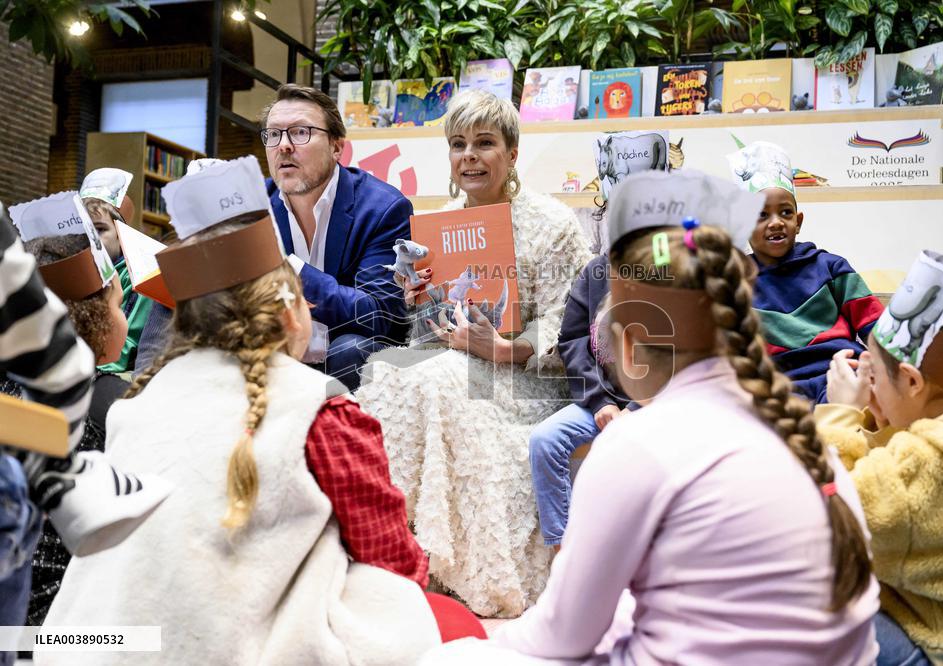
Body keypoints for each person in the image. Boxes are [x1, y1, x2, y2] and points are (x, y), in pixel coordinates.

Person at [421, 169, 879, 665]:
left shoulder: (636, 446)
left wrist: (472, 645)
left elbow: (560, 638)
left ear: (629, 347)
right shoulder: (799, 432)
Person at [39, 157, 483, 666]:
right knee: (452, 623)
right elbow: (395, 564)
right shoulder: (322, 412)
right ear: (289, 307)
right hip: (230, 651)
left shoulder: (135, 405)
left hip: (88, 648)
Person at [355, 89, 593, 616]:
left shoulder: (553, 223)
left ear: (511, 154)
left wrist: (509, 348)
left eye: (484, 143)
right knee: (385, 373)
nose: (469, 155)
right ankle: (383, 548)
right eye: (458, 144)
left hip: (531, 376)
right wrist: (421, 300)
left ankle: (426, 560)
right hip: (457, 360)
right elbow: (431, 331)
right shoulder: (441, 223)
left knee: (438, 381)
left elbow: (570, 322)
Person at [820, 250, 943, 666]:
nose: (869, 387)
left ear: (913, 381)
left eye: (876, 378)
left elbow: (821, 511)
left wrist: (839, 413)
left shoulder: (914, 469)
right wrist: (883, 412)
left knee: (813, 610)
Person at [0, 199, 167, 648]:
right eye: (118, 304)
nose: (124, 318)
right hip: (55, 631)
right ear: (94, 318)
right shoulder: (110, 405)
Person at [528, 130, 671, 550]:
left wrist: (632, 408)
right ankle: (566, 548)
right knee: (545, 440)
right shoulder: (595, 273)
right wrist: (603, 403)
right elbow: (572, 340)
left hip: (664, 405)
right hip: (600, 402)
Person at [262, 83, 412, 391]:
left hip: (339, 355)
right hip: (273, 348)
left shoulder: (382, 208)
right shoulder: (253, 204)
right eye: (273, 134)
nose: (284, 146)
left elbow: (380, 315)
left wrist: (293, 273)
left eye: (301, 132)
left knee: (351, 348)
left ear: (336, 146)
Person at [728, 141, 883, 404]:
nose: (776, 222)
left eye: (785, 212)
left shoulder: (831, 267)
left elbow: (876, 327)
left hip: (840, 370)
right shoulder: (735, 284)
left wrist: (895, 367)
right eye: (761, 215)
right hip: (778, 385)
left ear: (798, 222)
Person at [79, 167, 153, 377]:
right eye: (83, 230)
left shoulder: (139, 275)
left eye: (100, 229)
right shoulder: (73, 271)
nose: (91, 239)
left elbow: (128, 345)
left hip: (110, 373)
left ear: (121, 233)